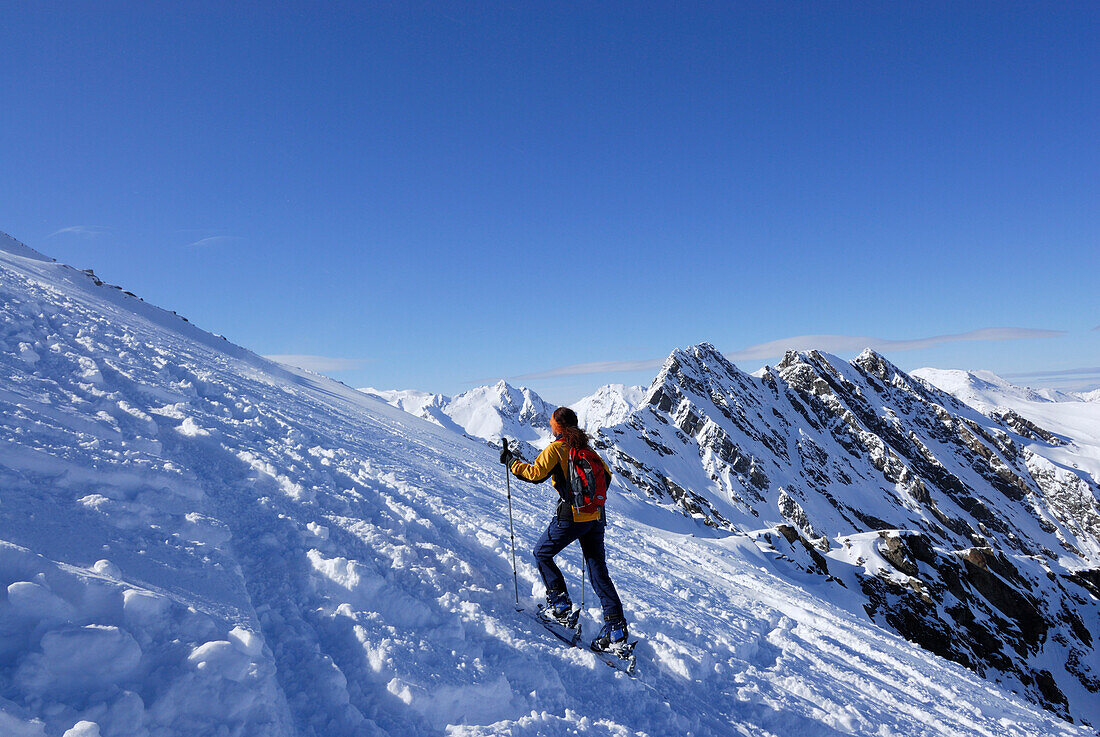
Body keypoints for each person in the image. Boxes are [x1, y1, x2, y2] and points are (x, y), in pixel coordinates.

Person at [500, 406, 629, 652]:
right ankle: (616, 630)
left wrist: (511, 462)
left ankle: (560, 607)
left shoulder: (557, 448)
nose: (549, 423)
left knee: (542, 553)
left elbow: (535, 474)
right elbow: (607, 477)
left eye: (551, 421)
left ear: (558, 425)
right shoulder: (586, 448)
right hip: (596, 517)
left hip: (571, 516)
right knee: (598, 570)